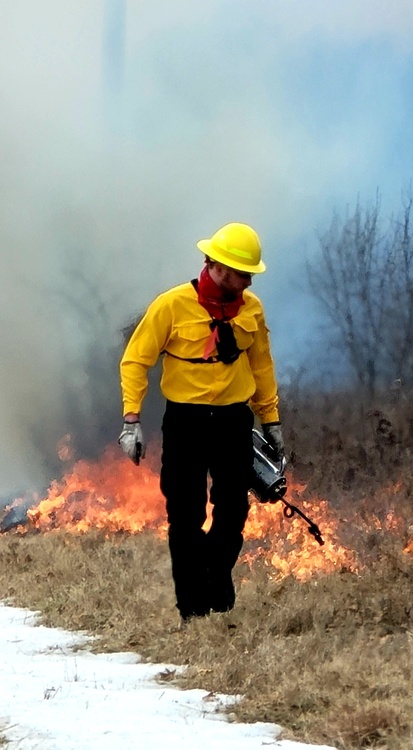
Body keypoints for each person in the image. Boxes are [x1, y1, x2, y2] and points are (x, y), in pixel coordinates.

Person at [117, 222, 285, 622]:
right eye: (243, 274)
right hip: (185, 423)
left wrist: (271, 421)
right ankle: (193, 609)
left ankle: (215, 573)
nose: (247, 282)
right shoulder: (171, 305)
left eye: (250, 276)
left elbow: (261, 365)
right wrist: (131, 420)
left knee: (233, 511)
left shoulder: (253, 310)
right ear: (218, 267)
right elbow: (136, 360)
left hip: (233, 422)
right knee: (186, 514)